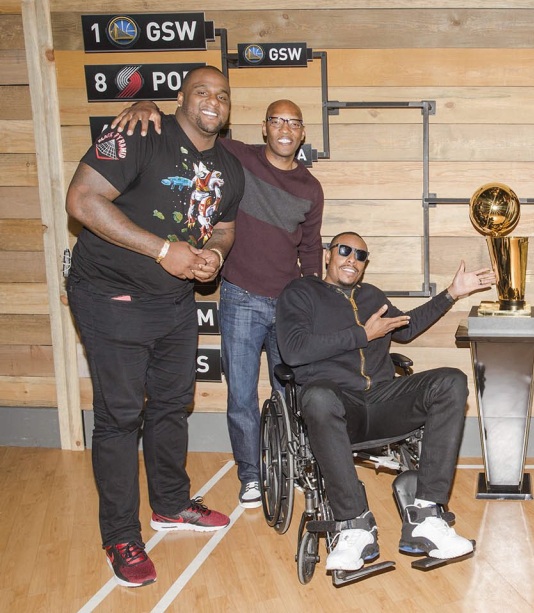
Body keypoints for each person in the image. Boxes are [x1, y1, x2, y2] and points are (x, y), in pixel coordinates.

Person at [65, 66, 243, 588]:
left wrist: (214, 252)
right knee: (120, 417)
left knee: (170, 405)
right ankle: (120, 535)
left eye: (222, 95)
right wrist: (164, 250)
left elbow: (226, 226)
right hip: (110, 296)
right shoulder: (140, 133)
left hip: (173, 302)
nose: (213, 101)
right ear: (180, 98)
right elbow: (81, 200)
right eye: (202, 92)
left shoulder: (229, 168)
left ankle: (169, 505)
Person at [113, 99, 325, 509]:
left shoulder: (311, 188)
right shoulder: (236, 156)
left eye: (293, 123)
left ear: (301, 133)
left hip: (289, 306)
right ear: (264, 128)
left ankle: (296, 467)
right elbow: (192, 127)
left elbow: (312, 249)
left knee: (294, 394)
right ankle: (251, 475)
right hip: (241, 298)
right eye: (277, 120)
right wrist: (147, 103)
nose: (285, 129)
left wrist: (314, 300)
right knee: (241, 395)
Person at [276, 231, 495, 572]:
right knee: (316, 396)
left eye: (360, 255)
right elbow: (293, 350)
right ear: (328, 256)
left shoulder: (372, 296)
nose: (352, 259)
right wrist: (363, 335)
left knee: (451, 380)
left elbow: (405, 328)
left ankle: (425, 517)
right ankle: (354, 526)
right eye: (344, 251)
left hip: (380, 399)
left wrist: (452, 293)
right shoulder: (301, 293)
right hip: (336, 404)